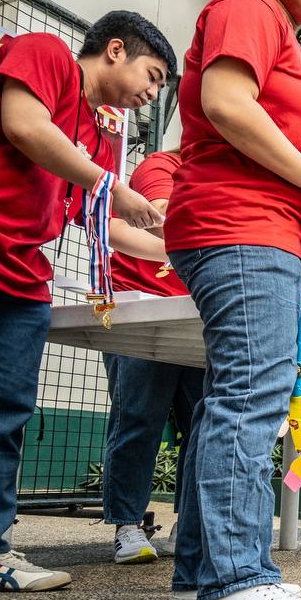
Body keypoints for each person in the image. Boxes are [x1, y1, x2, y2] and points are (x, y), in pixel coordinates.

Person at [164, 0, 301, 600]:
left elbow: (267, 130)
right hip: (242, 228)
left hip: (253, 229)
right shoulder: (249, 5)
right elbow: (225, 102)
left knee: (233, 395)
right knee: (252, 396)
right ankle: (235, 579)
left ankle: (199, 575)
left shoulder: (280, 38)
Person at [0, 11, 174, 592]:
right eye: (153, 73)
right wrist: (110, 185)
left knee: (6, 413)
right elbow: (23, 124)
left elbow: (102, 224)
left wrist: (184, 249)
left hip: (21, 277)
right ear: (115, 50)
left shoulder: (101, 134)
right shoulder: (46, 54)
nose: (153, 92)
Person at [101, 149, 205, 565]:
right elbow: (160, 212)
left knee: (202, 423)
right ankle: (127, 525)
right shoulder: (165, 165)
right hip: (141, 313)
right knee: (137, 419)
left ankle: (190, 524)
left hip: (196, 316)